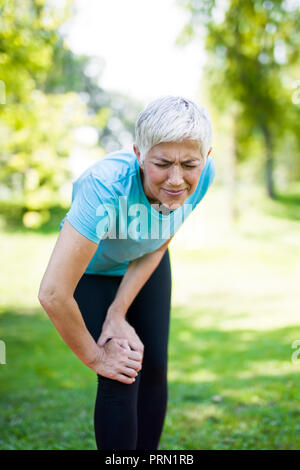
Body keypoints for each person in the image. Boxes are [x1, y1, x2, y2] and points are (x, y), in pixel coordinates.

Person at [38, 95, 216, 450]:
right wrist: (95, 355)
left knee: (153, 368)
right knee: (120, 370)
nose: (176, 179)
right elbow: (53, 293)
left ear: (205, 158)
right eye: (162, 163)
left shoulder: (204, 175)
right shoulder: (105, 187)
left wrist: (118, 312)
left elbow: (161, 241)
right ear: (138, 153)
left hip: (146, 259)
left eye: (189, 164)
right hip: (93, 273)